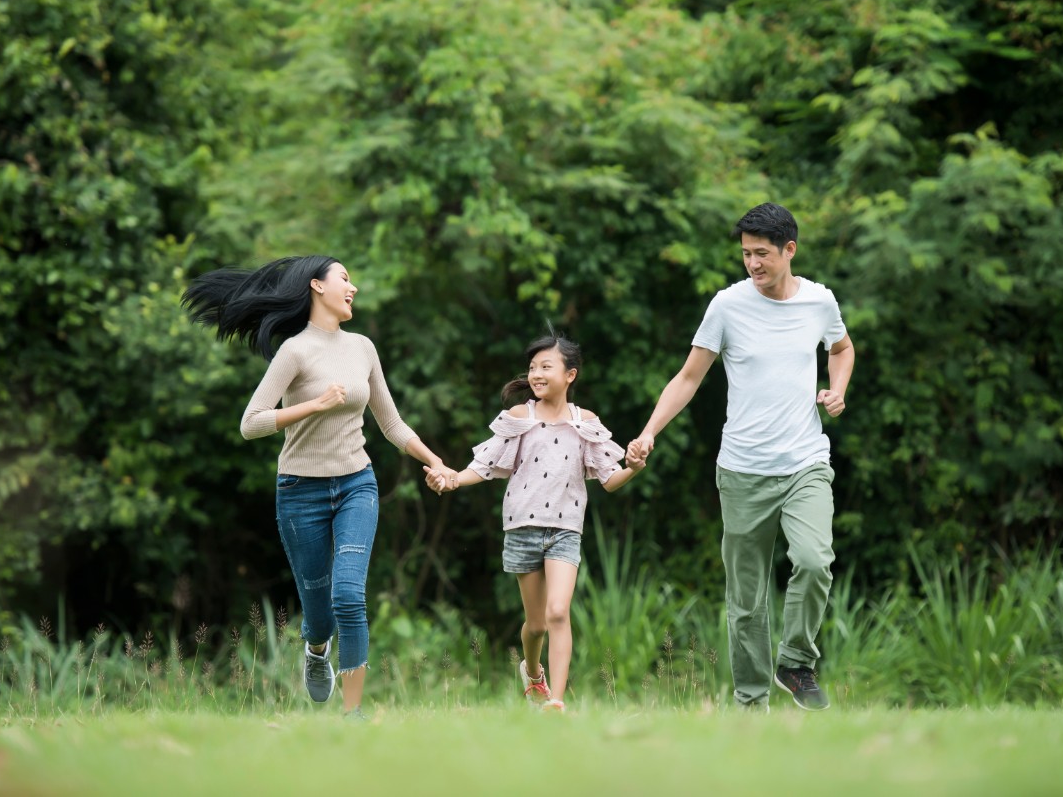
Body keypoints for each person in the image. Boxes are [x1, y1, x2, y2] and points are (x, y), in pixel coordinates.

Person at [182, 255, 457, 720]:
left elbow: (391, 424)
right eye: (344, 278)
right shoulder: (295, 352)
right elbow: (251, 423)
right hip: (299, 491)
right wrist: (315, 405)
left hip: (356, 484)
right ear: (316, 286)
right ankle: (316, 649)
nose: (353, 287)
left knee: (349, 595)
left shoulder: (363, 348)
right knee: (320, 613)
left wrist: (436, 461)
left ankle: (353, 713)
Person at [627, 202, 855, 712]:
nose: (753, 263)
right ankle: (751, 705)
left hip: (805, 462)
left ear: (789, 250)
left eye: (762, 254)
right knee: (747, 601)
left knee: (814, 561)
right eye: (746, 254)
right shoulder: (727, 306)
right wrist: (649, 432)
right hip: (742, 471)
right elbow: (689, 377)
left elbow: (841, 349)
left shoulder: (819, 301)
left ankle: (795, 662)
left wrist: (837, 389)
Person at [425, 335, 645, 712]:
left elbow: (610, 479)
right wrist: (452, 480)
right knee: (538, 624)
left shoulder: (585, 423)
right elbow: (484, 466)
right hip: (522, 528)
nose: (536, 374)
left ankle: (556, 700)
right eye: (532, 368)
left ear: (570, 375)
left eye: (546, 366)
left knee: (558, 612)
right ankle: (532, 671)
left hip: (565, 529)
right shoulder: (519, 418)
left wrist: (634, 468)